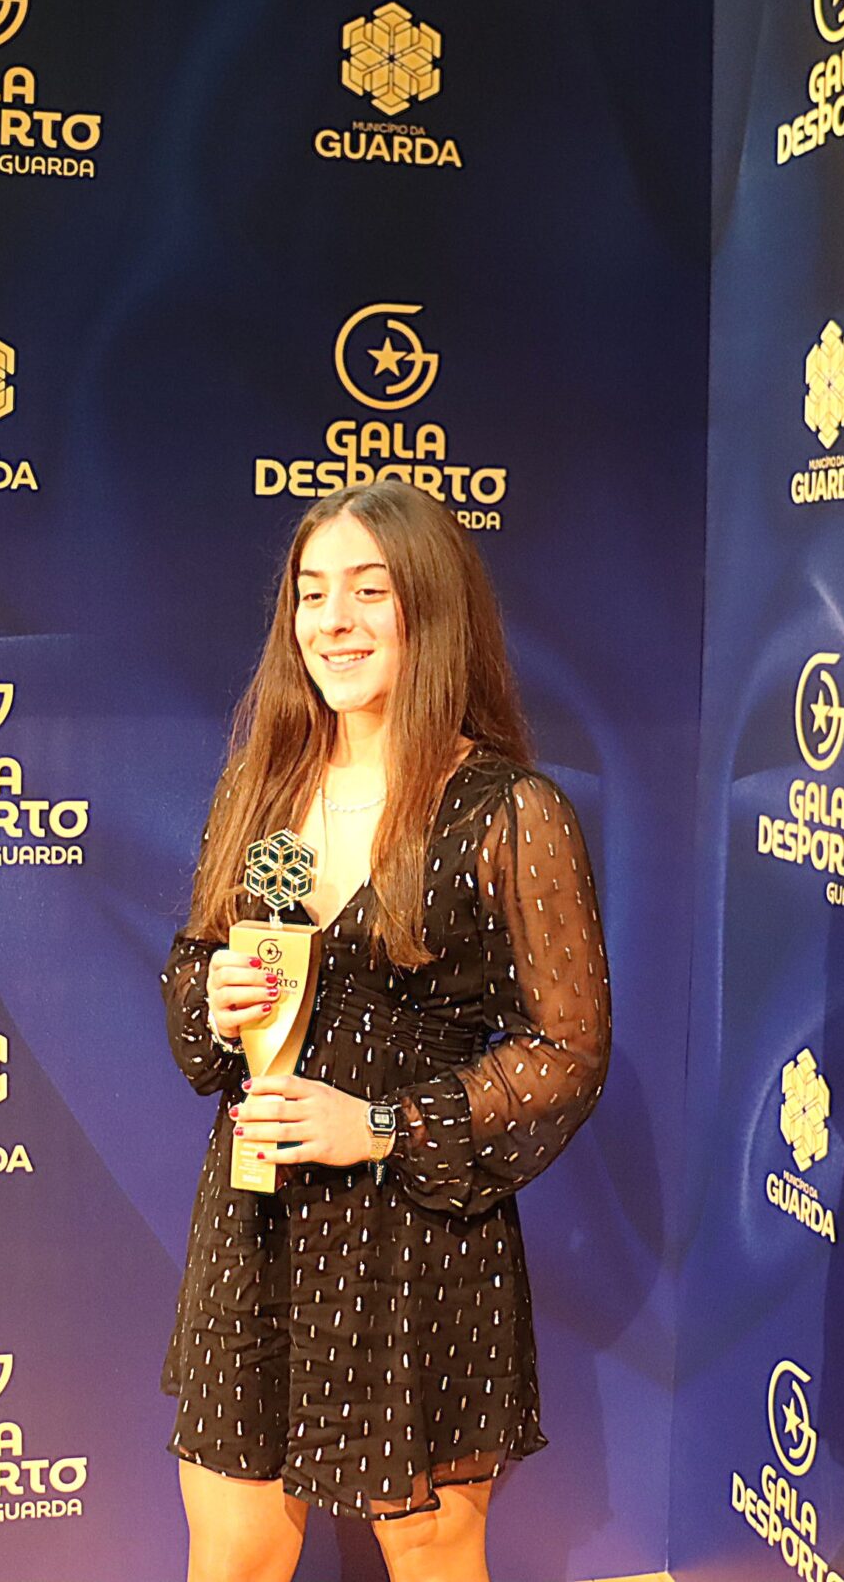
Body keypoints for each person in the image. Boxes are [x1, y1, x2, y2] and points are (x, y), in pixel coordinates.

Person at [159, 481, 611, 1582]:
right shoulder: (262, 788)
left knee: (430, 1550)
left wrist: (380, 1126)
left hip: (417, 1233)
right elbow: (193, 981)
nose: (334, 621)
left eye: (369, 591)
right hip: (255, 1218)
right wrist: (212, 996)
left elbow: (567, 1049)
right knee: (233, 1550)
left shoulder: (509, 810)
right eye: (312, 593)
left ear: (431, 610)